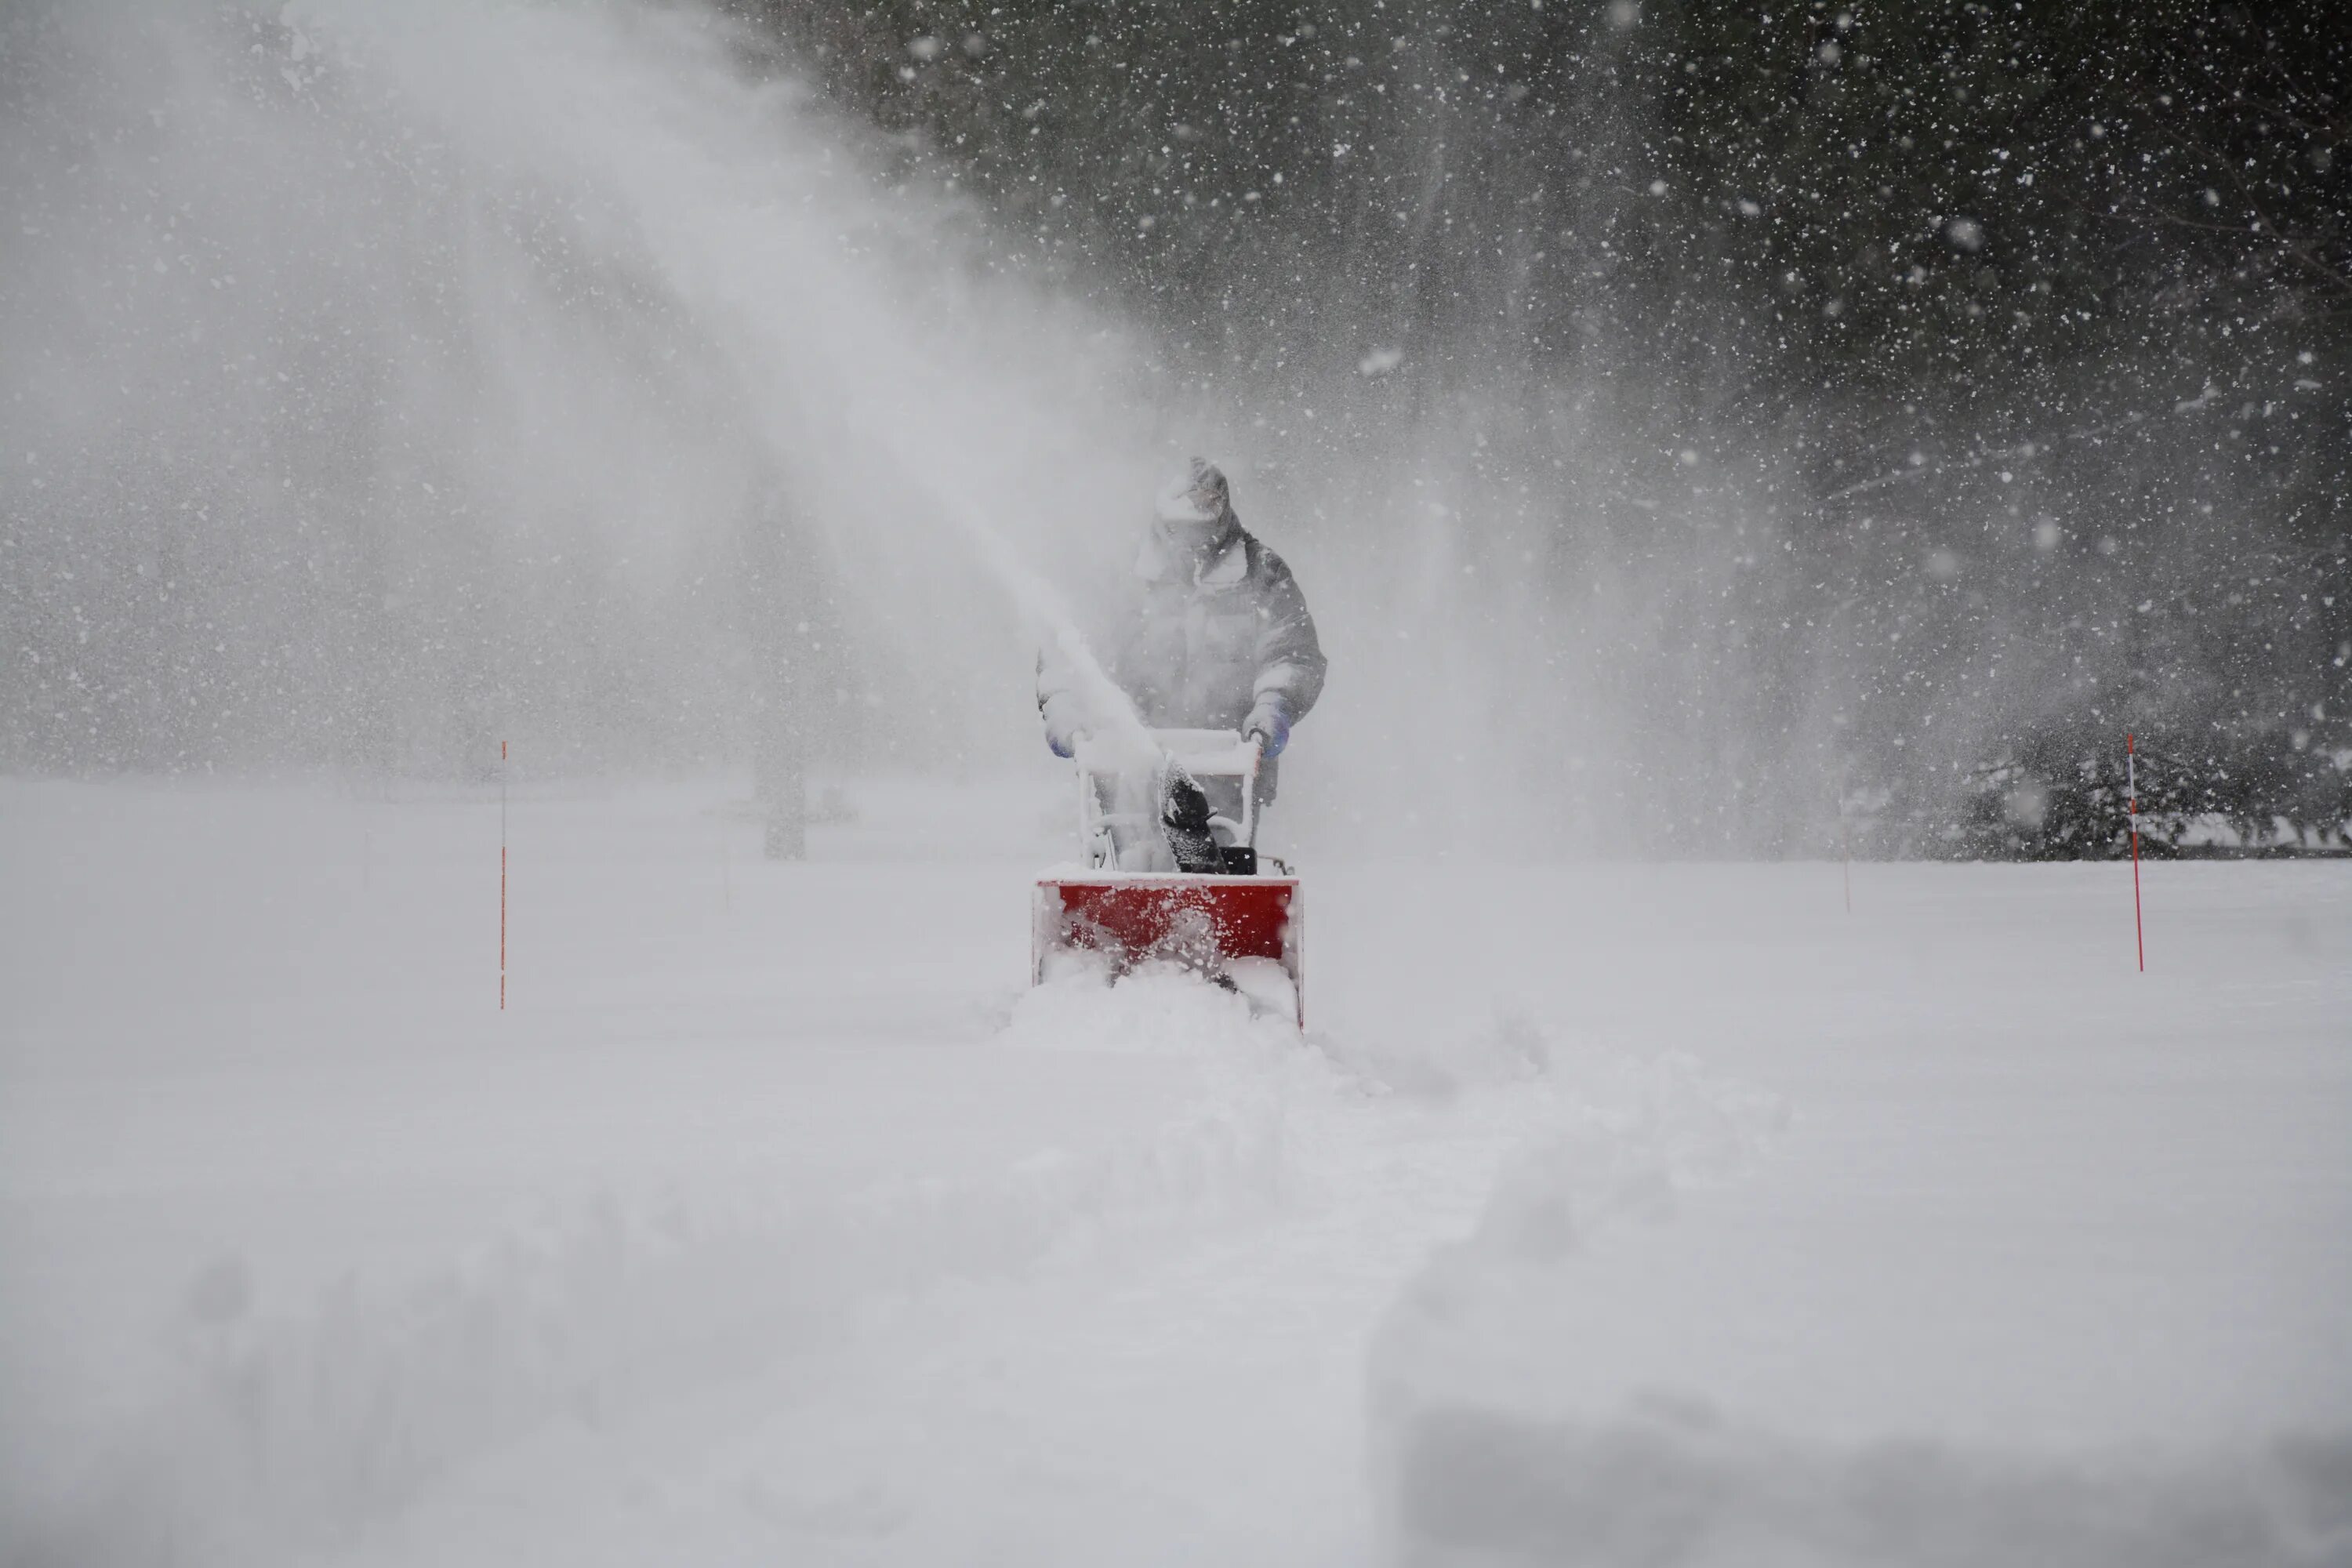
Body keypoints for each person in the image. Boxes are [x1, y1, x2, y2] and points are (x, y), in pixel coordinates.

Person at [1038, 458, 1326, 864]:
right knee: (1136, 865)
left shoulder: (1262, 574)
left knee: (1217, 869)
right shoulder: (1122, 576)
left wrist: (1272, 708)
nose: (1192, 543)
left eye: (1204, 531)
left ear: (1222, 521)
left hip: (1229, 760)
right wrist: (1065, 708)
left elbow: (1291, 652)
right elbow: (1073, 650)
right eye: (1179, 530)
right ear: (1161, 521)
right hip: (1128, 759)